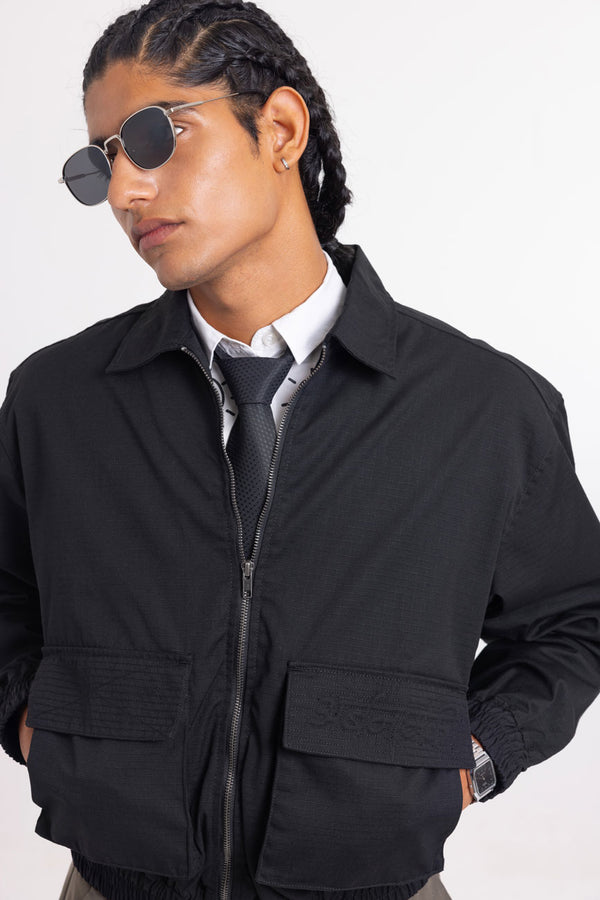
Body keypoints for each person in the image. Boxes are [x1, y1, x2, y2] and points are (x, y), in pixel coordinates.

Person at [1, 1, 599, 899]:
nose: (125, 190)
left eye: (154, 138)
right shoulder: (59, 399)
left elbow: (573, 620)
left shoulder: (486, 408)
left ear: (280, 129)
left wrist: (473, 758)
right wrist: (31, 724)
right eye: (102, 161)